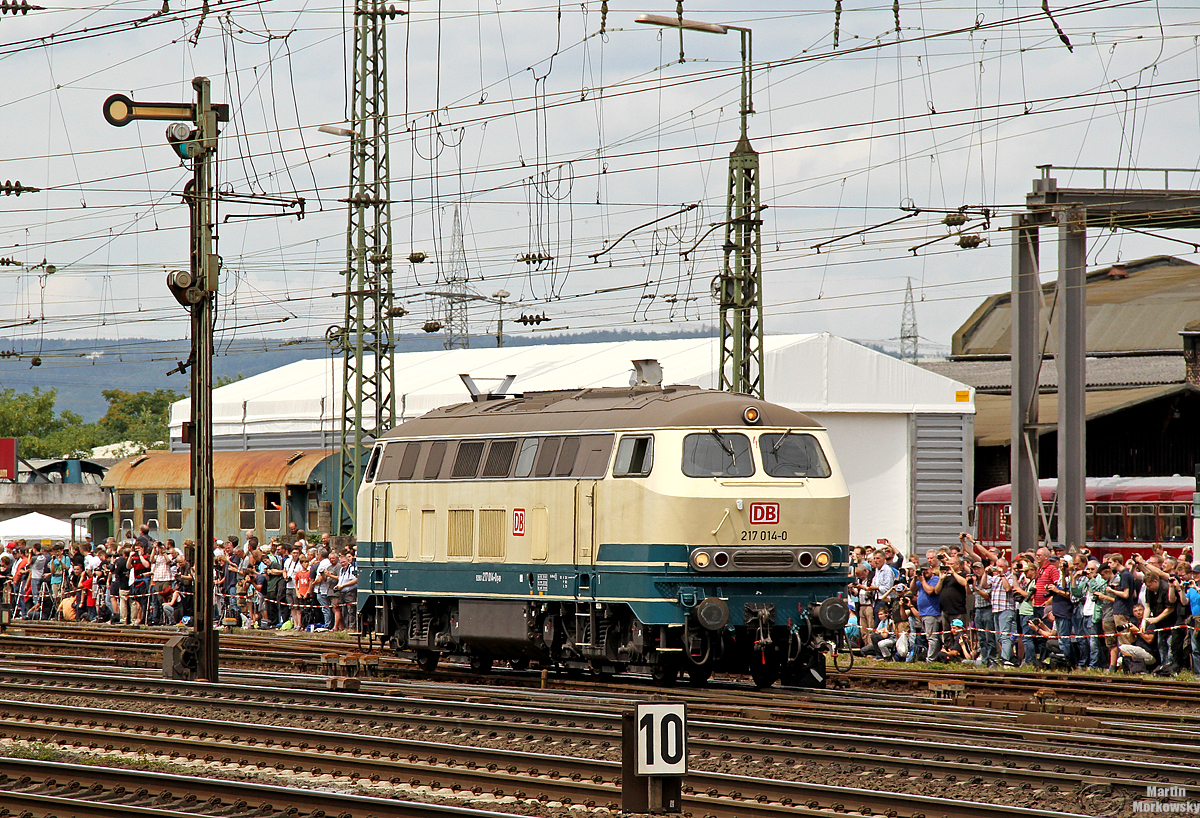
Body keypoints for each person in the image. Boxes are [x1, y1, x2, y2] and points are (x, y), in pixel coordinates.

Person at [913, 554, 944, 661]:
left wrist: (922, 581)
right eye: (923, 571)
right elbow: (912, 588)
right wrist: (914, 577)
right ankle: (929, 656)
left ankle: (931, 659)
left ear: (931, 569)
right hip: (923, 613)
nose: (925, 573)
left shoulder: (934, 579)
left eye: (926, 570)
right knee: (927, 637)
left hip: (932, 612)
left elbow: (931, 591)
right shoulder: (922, 580)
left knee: (932, 638)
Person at [1118, 603, 1158, 673]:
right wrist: (1131, 630)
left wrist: (1137, 631)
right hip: (1139, 651)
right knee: (1120, 660)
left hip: (1149, 653)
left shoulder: (1149, 622)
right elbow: (1131, 640)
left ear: (1144, 611)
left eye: (1140, 610)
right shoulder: (1136, 623)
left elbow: (1149, 639)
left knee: (1122, 647)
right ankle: (1135, 668)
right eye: (1136, 611)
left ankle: (1135, 665)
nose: (1138, 612)